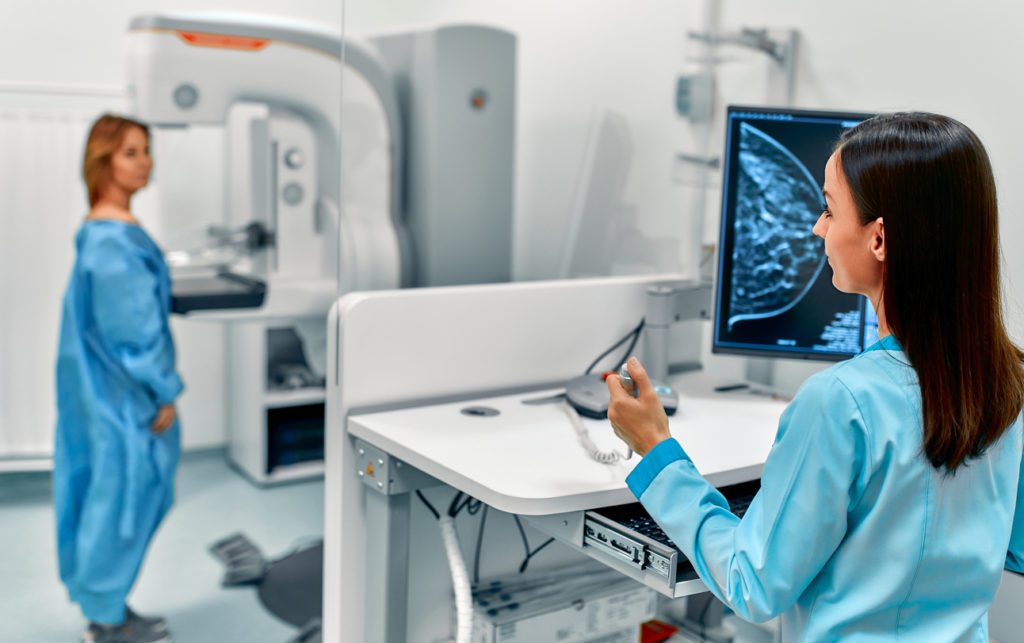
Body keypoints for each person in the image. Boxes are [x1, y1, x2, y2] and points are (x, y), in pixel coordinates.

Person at [607, 112, 1024, 641]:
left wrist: (655, 447)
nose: (817, 227)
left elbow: (752, 584)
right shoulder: (1011, 383)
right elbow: (1014, 543)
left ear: (879, 239)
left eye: (829, 209)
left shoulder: (842, 401)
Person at [55, 114, 183, 643]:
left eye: (146, 149)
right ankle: (107, 622)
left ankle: (106, 608)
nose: (145, 161)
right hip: (127, 398)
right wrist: (164, 392)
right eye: (131, 151)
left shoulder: (101, 228)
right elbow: (135, 334)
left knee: (107, 496)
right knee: (127, 501)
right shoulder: (113, 240)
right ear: (102, 160)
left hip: (100, 392)